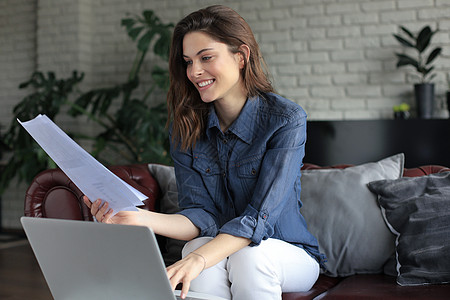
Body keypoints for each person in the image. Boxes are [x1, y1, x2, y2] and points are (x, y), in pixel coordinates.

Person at [84, 5, 325, 300]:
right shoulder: (185, 127)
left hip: (288, 252)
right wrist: (135, 218)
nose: (194, 72)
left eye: (206, 57)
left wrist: (199, 259)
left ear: (241, 56)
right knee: (196, 249)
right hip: (220, 248)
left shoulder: (285, 119)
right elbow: (200, 217)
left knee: (246, 258)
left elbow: (257, 219)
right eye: (187, 61)